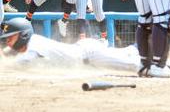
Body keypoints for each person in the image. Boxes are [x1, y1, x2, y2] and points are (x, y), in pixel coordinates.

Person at [0, 17, 140, 71]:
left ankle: (157, 65)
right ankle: (137, 49)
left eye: (10, 38)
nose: (8, 42)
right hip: (85, 51)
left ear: (23, 35)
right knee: (127, 53)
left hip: (90, 55)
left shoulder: (34, 45)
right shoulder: (31, 43)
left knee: (133, 66)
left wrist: (4, 62)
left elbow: (17, 63)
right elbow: (10, 53)